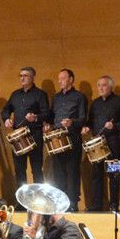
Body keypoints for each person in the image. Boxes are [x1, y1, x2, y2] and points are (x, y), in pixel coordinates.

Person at [1, 67, 49, 195]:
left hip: (34, 135)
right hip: (18, 137)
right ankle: (21, 200)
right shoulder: (15, 94)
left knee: (37, 169)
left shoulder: (40, 94)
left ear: (33, 78)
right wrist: (6, 119)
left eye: (26, 75)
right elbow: (5, 110)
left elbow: (47, 114)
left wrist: (35, 117)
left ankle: (39, 198)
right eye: (20, 75)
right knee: (19, 170)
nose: (22, 78)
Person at [84, 76, 120, 211]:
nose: (100, 88)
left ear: (110, 87)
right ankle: (97, 205)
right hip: (97, 144)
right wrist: (86, 127)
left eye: (103, 85)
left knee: (114, 175)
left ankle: (114, 205)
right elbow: (90, 122)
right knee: (96, 175)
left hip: (113, 142)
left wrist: (113, 125)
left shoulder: (119, 101)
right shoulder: (95, 103)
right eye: (98, 85)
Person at [48, 69, 86, 210]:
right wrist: (47, 125)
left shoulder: (79, 97)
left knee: (72, 171)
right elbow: (51, 117)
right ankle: (60, 203)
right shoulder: (56, 98)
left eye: (63, 78)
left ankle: (72, 204)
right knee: (58, 172)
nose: (60, 81)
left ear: (71, 79)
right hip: (56, 138)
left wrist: (72, 122)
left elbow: (83, 118)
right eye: (59, 78)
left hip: (72, 137)